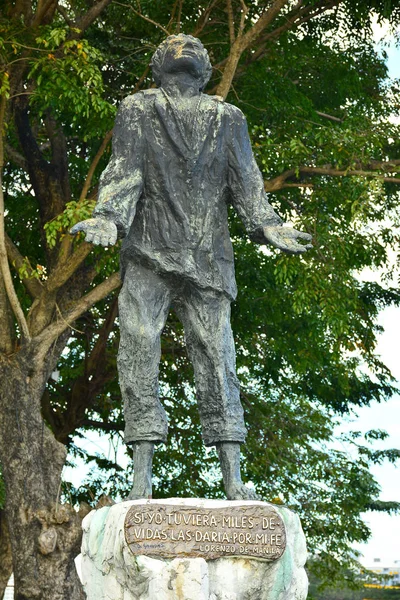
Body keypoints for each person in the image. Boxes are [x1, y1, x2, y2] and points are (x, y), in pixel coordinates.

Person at [71, 34, 312, 500]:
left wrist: (268, 226)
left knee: (218, 358)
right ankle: (141, 477)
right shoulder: (139, 108)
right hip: (148, 251)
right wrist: (108, 216)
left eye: (193, 44)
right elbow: (124, 170)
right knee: (139, 347)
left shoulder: (228, 118)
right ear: (159, 65)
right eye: (173, 44)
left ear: (204, 70)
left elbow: (247, 184)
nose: (183, 46)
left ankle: (233, 479)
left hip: (207, 256)